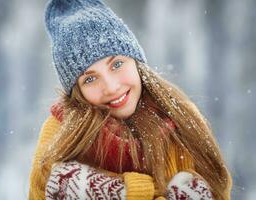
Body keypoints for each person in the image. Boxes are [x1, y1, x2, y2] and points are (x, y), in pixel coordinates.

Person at [29, 0, 232, 199]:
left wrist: (124, 192)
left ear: (136, 62)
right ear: (77, 91)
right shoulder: (60, 132)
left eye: (117, 64)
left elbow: (220, 189)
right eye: (90, 78)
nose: (111, 87)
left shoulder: (183, 118)